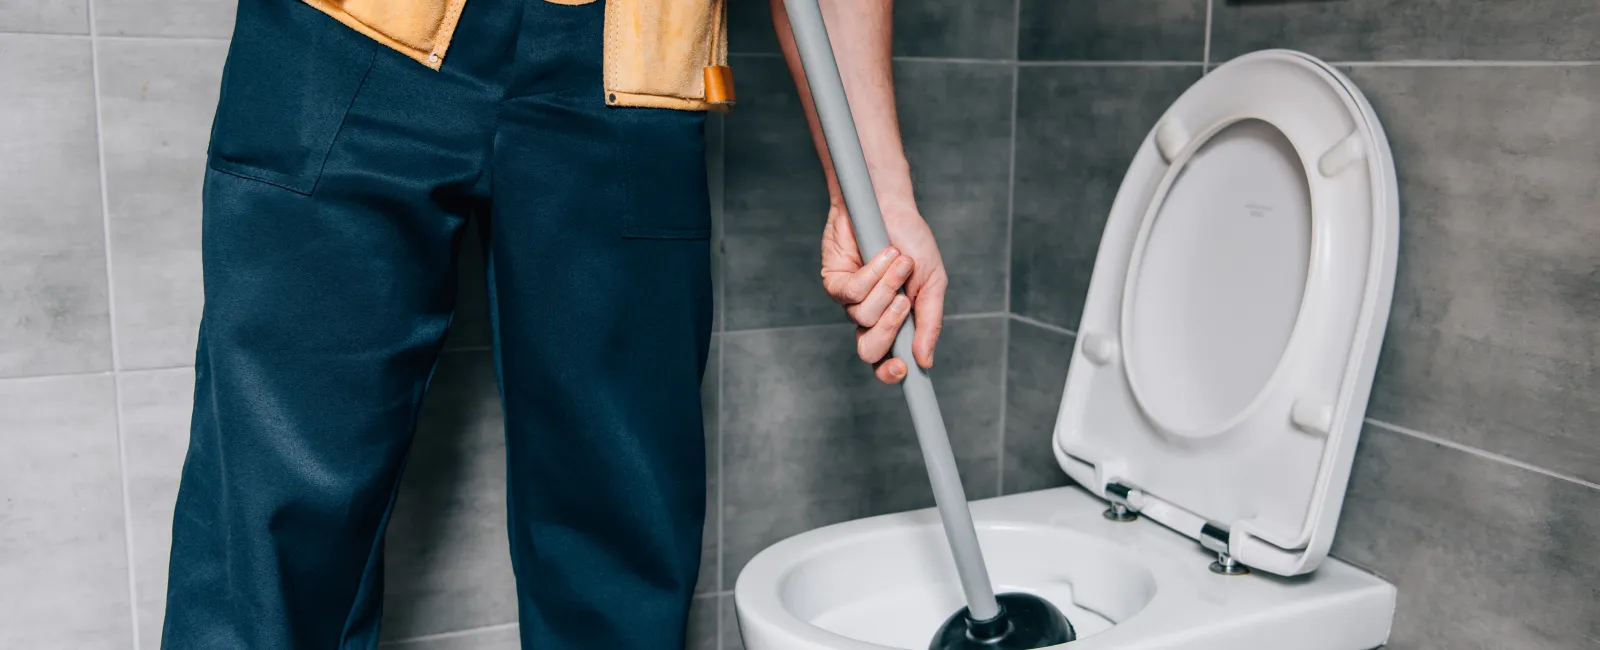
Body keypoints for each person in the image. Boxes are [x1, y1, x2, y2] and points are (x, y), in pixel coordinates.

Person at [160, 0, 946, 648]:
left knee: (621, 541)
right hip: (345, 38)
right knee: (270, 535)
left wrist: (877, 195)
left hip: (635, 70)